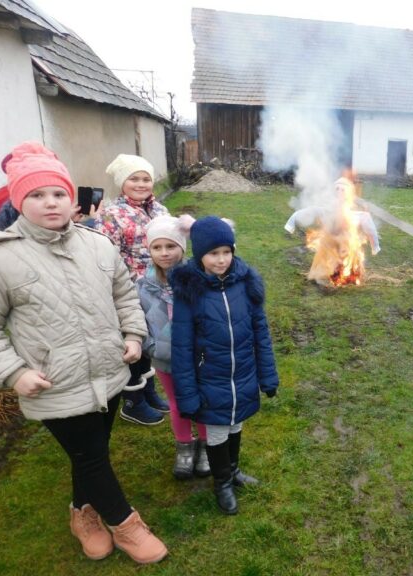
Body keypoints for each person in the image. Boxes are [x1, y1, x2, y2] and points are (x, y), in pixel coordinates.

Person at [0, 142, 167, 564]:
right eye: (36, 195)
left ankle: (83, 515)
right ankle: (126, 526)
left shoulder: (97, 245)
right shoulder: (0, 259)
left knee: (92, 453)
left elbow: (125, 294)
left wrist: (133, 335)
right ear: (18, 201)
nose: (50, 203)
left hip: (108, 372)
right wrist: (13, 373)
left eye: (58, 194)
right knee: (89, 455)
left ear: (73, 200)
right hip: (54, 382)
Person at [170, 216, 279, 514]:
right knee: (218, 431)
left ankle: (233, 471)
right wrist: (188, 395)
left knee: (236, 425)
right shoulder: (190, 292)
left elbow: (261, 331)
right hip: (211, 377)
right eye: (213, 253)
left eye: (226, 252)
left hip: (242, 372)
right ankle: (222, 483)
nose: (221, 260)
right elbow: (181, 347)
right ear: (199, 254)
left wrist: (267, 376)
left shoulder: (246, 284)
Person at [96, 154, 170, 425]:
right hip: (129, 290)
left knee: (151, 340)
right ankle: (132, 400)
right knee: (133, 340)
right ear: (122, 182)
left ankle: (148, 391)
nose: (141, 184)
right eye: (134, 178)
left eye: (146, 178)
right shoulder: (112, 214)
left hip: (159, 287)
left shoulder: (160, 210)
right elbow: (105, 255)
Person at [137, 215, 211, 480]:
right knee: (177, 403)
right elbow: (137, 319)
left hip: (196, 357)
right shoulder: (143, 285)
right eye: (157, 247)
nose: (164, 253)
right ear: (149, 250)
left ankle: (205, 445)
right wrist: (151, 347)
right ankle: (184, 446)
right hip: (164, 358)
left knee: (201, 400)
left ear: (183, 247)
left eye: (171, 246)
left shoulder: (198, 278)